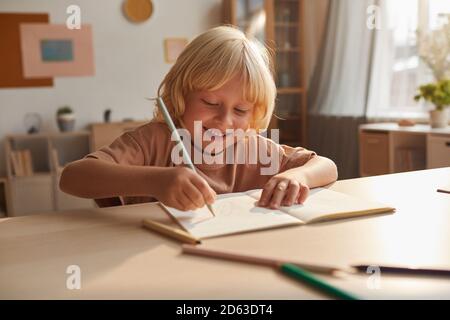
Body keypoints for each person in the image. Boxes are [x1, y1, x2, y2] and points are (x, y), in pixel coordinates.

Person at [60, 26, 338, 211]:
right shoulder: (153, 141)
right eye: (210, 102)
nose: (224, 121)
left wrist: (297, 175)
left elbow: (327, 166)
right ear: (182, 94)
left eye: (240, 111)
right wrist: (155, 181)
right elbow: (73, 177)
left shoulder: (256, 149)